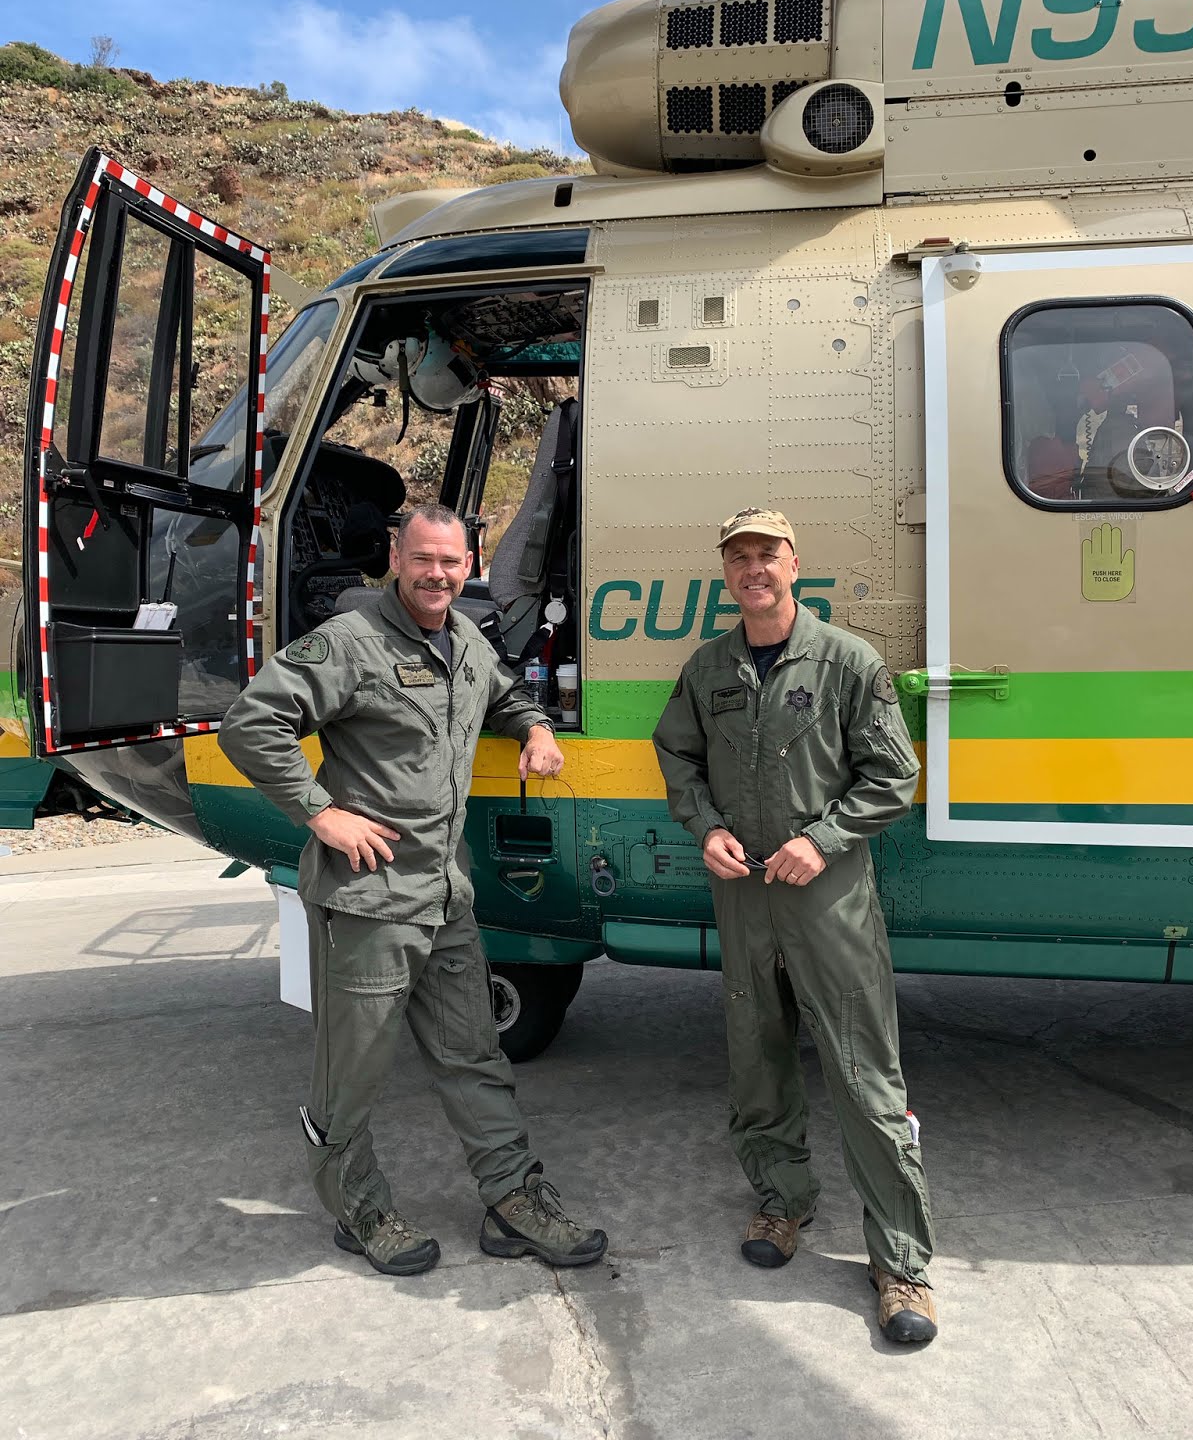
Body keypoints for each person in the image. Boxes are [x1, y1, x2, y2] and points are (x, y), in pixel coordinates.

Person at [218, 504, 607, 1277]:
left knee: (475, 1056)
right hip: (370, 899)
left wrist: (535, 727)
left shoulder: (465, 637)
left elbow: (502, 693)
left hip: (444, 896)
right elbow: (250, 724)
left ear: (471, 565)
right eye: (423, 559)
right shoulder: (349, 642)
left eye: (451, 562)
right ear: (396, 557)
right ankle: (357, 1208)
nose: (437, 575)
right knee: (354, 1071)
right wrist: (320, 812)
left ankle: (513, 1201)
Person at [652, 507, 937, 1344]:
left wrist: (823, 840)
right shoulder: (708, 668)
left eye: (767, 554)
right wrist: (705, 827)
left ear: (793, 563)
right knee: (758, 1059)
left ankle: (901, 1262)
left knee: (863, 1074)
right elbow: (677, 754)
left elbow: (894, 776)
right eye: (738, 556)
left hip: (827, 902)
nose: (754, 569)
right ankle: (782, 1202)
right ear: (727, 571)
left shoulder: (847, 661)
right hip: (744, 897)